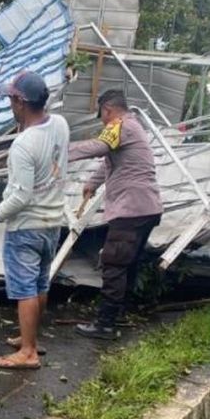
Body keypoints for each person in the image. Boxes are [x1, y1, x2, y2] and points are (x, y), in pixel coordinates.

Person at [0, 71, 68, 369]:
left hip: (26, 226)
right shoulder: (60, 124)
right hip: (52, 221)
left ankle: (28, 352)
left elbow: (21, 197)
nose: (10, 105)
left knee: (25, 288)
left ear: (20, 102)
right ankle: (31, 339)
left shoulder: (23, 145)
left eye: (11, 99)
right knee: (40, 284)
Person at [65, 90, 162, 340]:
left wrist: (59, 151)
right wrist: (93, 183)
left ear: (107, 110)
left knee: (114, 263)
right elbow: (109, 158)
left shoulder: (120, 125)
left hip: (131, 209)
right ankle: (118, 314)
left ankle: (105, 324)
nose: (102, 121)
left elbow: (99, 147)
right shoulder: (132, 127)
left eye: (102, 115)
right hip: (146, 208)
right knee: (127, 264)